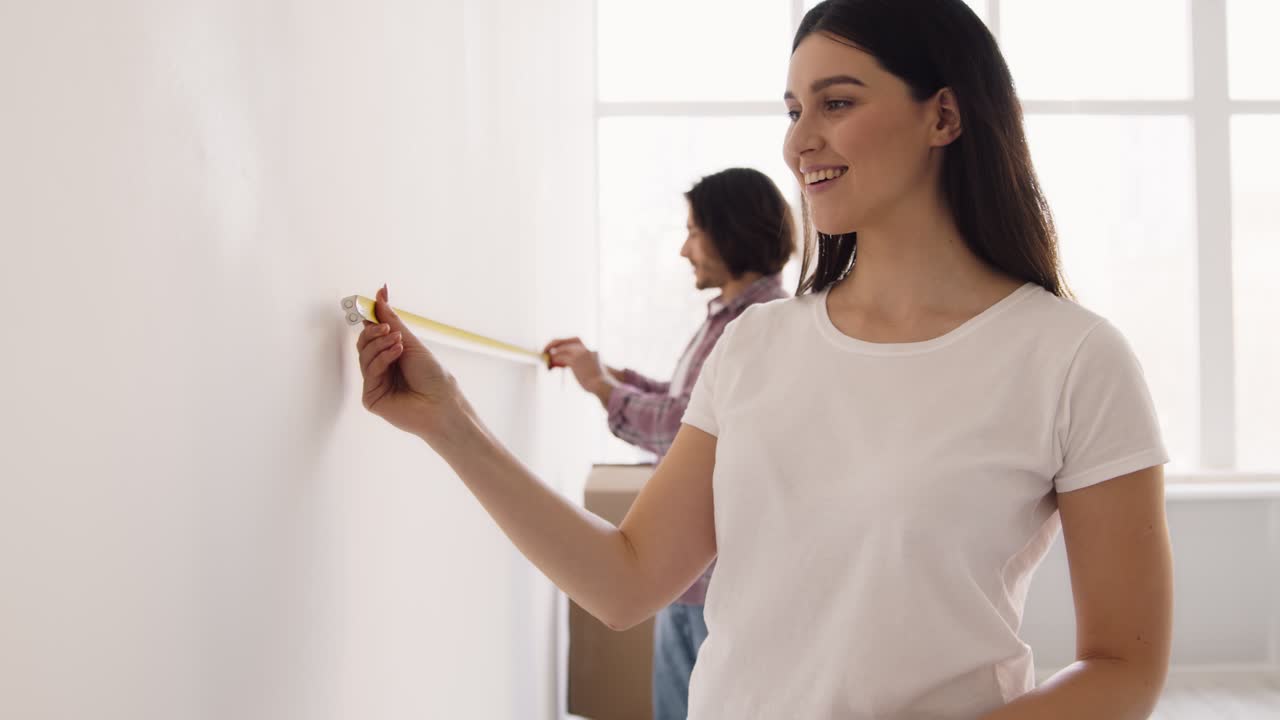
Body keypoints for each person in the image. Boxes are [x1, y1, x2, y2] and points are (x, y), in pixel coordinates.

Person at [353, 0, 1173, 717]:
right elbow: (625, 582)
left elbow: (1124, 670)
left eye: (837, 102)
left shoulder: (1071, 358)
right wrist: (450, 422)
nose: (799, 142)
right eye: (791, 110)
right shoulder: (756, 344)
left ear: (945, 117)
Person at [540, 167, 793, 720]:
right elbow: (690, 401)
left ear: (731, 232)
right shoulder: (733, 319)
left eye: (694, 231)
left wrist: (603, 388)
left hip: (701, 585)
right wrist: (605, 374)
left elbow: (684, 428)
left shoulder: (753, 324)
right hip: (694, 583)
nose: (684, 250)